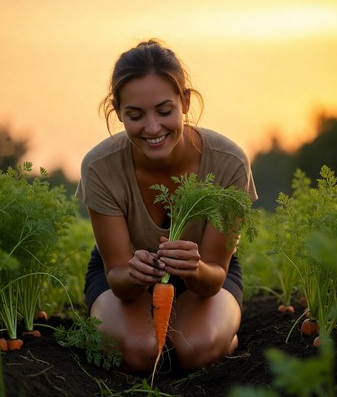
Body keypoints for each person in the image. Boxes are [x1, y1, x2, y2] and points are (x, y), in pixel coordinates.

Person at [76, 39, 257, 373]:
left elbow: (214, 274)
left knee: (195, 350)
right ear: (117, 112)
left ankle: (220, 337)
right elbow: (116, 274)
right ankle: (143, 329)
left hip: (206, 276)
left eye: (164, 111)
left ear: (185, 102)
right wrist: (133, 274)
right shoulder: (100, 167)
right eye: (135, 115)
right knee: (141, 352)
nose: (152, 128)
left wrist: (196, 268)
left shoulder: (228, 162)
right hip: (123, 277)